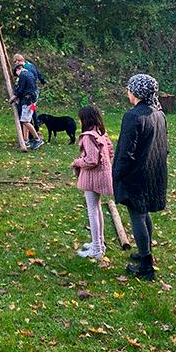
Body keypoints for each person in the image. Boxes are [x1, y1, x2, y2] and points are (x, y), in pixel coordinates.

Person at [113, 74, 168, 281]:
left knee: (137, 214)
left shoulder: (133, 116)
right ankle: (146, 253)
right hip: (153, 173)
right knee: (143, 212)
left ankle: (146, 265)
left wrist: (117, 174)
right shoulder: (159, 114)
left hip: (137, 175)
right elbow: (165, 147)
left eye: (129, 88)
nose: (127, 92)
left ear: (137, 92)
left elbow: (126, 152)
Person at [71, 106, 114, 261]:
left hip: (92, 178)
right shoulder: (101, 134)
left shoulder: (89, 137)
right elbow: (110, 152)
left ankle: (96, 249)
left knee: (92, 211)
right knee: (97, 209)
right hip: (102, 176)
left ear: (85, 120)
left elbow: (91, 160)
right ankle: (99, 243)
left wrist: (76, 162)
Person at [9, 63, 43, 150]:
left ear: (17, 70)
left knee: (24, 121)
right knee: (26, 120)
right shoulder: (29, 73)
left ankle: (37, 139)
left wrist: (14, 97)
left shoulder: (23, 76)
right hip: (32, 101)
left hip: (27, 102)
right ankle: (26, 140)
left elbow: (21, 89)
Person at [13, 54, 46, 133]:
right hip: (35, 92)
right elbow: (38, 73)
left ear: (18, 61)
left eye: (15, 62)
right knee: (33, 111)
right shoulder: (31, 65)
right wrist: (43, 81)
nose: (15, 64)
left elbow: (25, 83)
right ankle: (36, 128)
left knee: (26, 114)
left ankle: (31, 133)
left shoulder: (25, 69)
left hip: (29, 94)